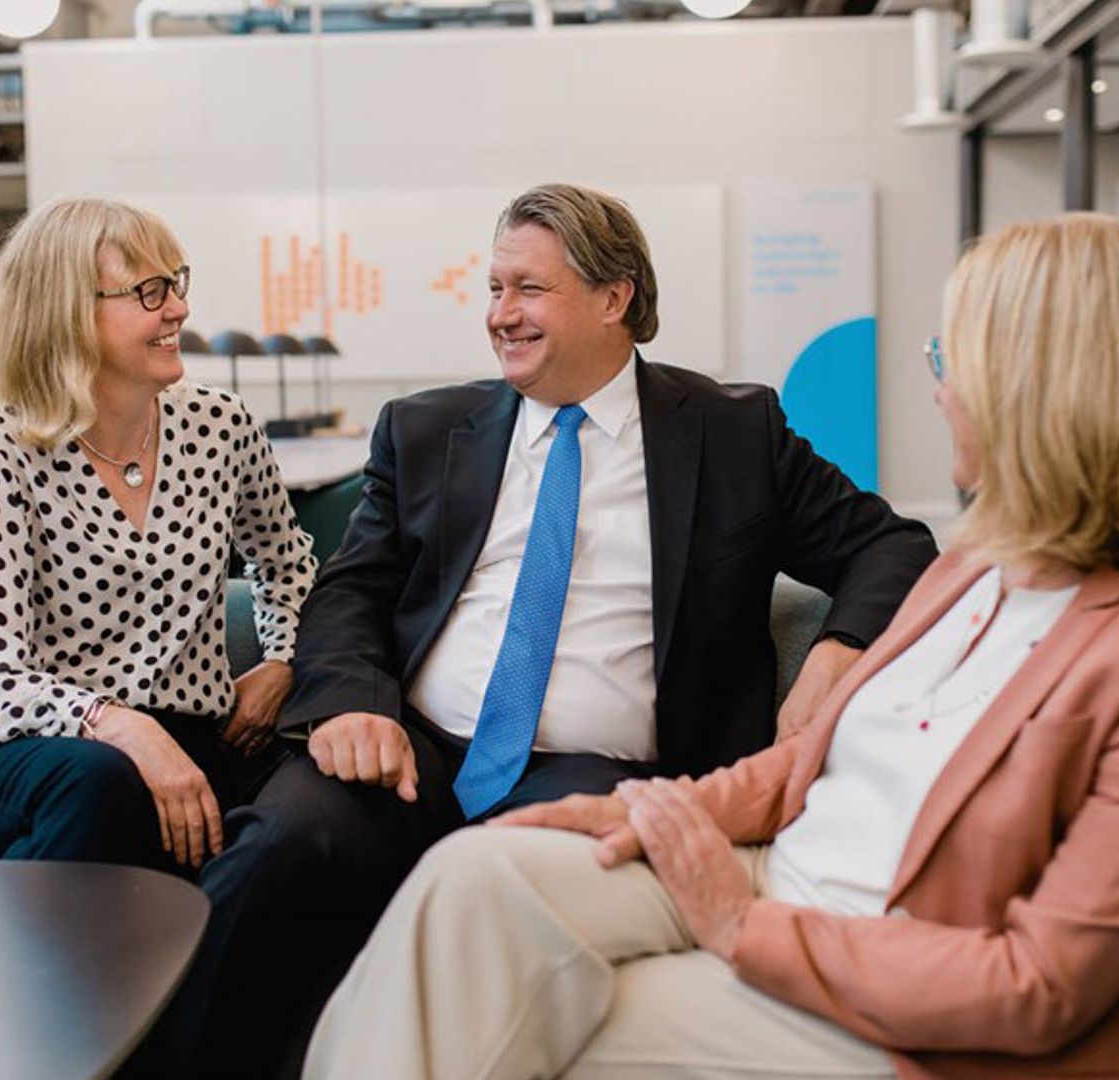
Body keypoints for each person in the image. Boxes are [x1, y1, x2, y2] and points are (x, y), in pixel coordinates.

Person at [302, 211, 1119, 1080]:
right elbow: (800, 774)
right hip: (779, 878)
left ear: (1047, 390)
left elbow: (1035, 989)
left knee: (537, 1017)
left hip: (900, 1000)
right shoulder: (988, 560)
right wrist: (651, 814)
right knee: (469, 882)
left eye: (950, 365)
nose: (939, 395)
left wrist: (741, 923)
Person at [193, 182, 937, 1073]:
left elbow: (892, 546)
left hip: (601, 772)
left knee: (515, 914)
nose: (501, 314)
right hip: (414, 749)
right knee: (281, 847)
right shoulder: (426, 430)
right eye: (494, 290)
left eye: (527, 290)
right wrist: (354, 701)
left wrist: (831, 659)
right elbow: (350, 591)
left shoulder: (736, 431)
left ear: (614, 297)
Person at [0, 196, 317, 1067]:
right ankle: (39, 1046)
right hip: (21, 755)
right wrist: (121, 725)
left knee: (312, 810)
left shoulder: (220, 427)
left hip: (190, 744)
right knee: (101, 788)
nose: (177, 308)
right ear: (68, 313)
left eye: (175, 284)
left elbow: (289, 565)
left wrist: (282, 657)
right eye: (147, 290)